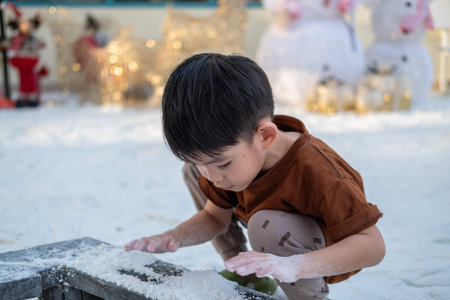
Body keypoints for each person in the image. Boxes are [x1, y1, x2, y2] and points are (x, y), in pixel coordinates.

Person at [125, 53, 385, 299]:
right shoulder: (231, 158)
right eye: (204, 165)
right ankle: (248, 272)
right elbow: (215, 218)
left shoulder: (321, 172)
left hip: (320, 254)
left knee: (265, 226)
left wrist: (293, 265)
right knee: (192, 172)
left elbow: (372, 246)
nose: (213, 177)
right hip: (272, 236)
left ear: (265, 136)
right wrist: (173, 237)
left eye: (223, 164)